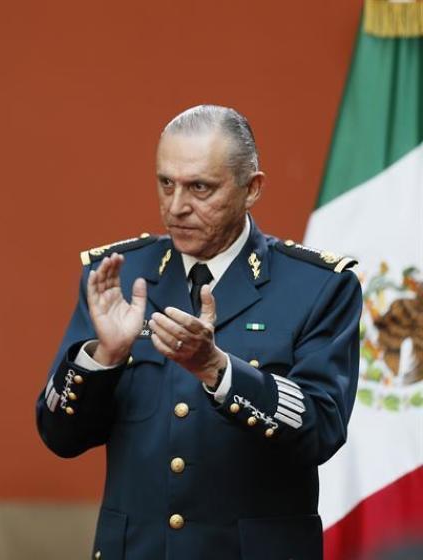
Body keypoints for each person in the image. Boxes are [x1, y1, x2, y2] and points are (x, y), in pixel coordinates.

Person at [36, 105, 362, 559]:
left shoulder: (318, 287)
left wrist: (218, 369)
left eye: (200, 188)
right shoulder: (122, 276)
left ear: (252, 189)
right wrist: (103, 358)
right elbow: (59, 437)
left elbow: (321, 429)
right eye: (165, 183)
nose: (176, 207)